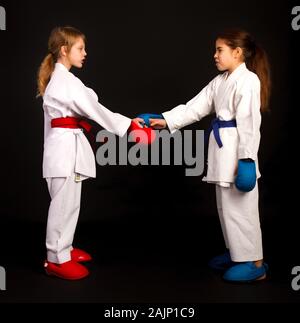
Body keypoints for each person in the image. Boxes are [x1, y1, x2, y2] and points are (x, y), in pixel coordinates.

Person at [140, 29, 271, 282]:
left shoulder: (249, 80)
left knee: (242, 208)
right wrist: (164, 120)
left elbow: (249, 123)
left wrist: (247, 159)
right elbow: (194, 107)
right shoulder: (220, 81)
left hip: (237, 150)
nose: (215, 55)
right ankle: (237, 252)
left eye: (219, 50)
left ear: (237, 52)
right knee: (226, 207)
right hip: (222, 150)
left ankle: (255, 263)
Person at [37, 26, 143, 280]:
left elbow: (88, 102)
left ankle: (65, 249)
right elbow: (95, 109)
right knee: (63, 206)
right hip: (63, 152)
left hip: (63, 149)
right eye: (80, 48)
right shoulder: (65, 81)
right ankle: (55, 259)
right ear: (64, 50)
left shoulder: (63, 80)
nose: (85, 53)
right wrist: (129, 125)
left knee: (70, 204)